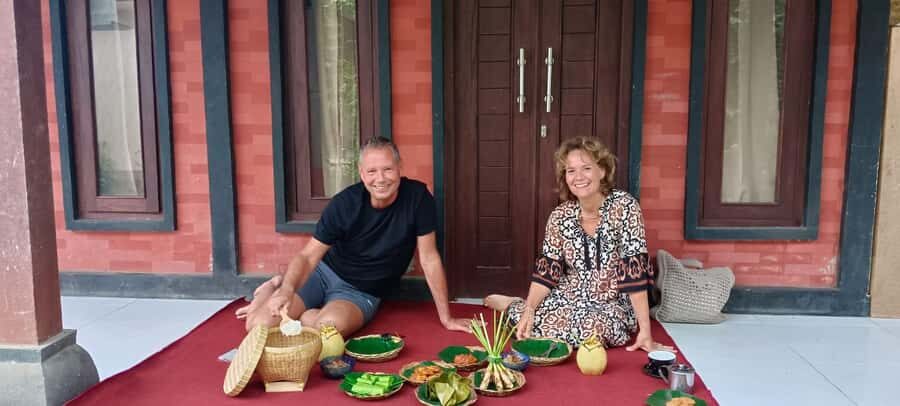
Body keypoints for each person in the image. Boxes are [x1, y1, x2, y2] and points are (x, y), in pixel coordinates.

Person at [236, 136, 471, 336]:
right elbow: (308, 257)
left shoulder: (418, 198)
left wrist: (447, 318)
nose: (381, 179)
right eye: (372, 171)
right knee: (258, 326)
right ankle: (272, 289)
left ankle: (293, 300)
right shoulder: (345, 203)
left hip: (360, 291)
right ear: (361, 173)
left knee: (327, 330)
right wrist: (287, 291)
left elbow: (429, 258)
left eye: (388, 169)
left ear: (400, 168)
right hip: (323, 274)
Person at [484, 136, 674, 352]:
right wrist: (529, 309)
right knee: (528, 320)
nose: (578, 177)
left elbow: (634, 271)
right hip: (570, 294)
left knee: (591, 333)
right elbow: (547, 273)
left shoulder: (625, 207)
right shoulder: (560, 216)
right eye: (571, 171)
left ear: (602, 171)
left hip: (610, 301)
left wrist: (646, 333)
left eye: (586, 168)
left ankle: (514, 305)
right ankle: (514, 305)